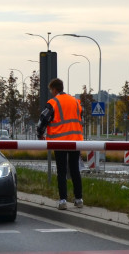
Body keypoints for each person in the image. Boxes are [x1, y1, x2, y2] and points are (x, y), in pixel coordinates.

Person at [36, 78, 84, 210]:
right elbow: (81, 117)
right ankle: (79, 199)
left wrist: (40, 134)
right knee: (75, 170)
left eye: (51, 90)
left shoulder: (53, 102)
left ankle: (63, 200)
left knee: (61, 171)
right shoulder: (75, 102)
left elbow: (43, 120)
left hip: (60, 141)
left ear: (54, 89)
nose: (51, 92)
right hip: (75, 140)